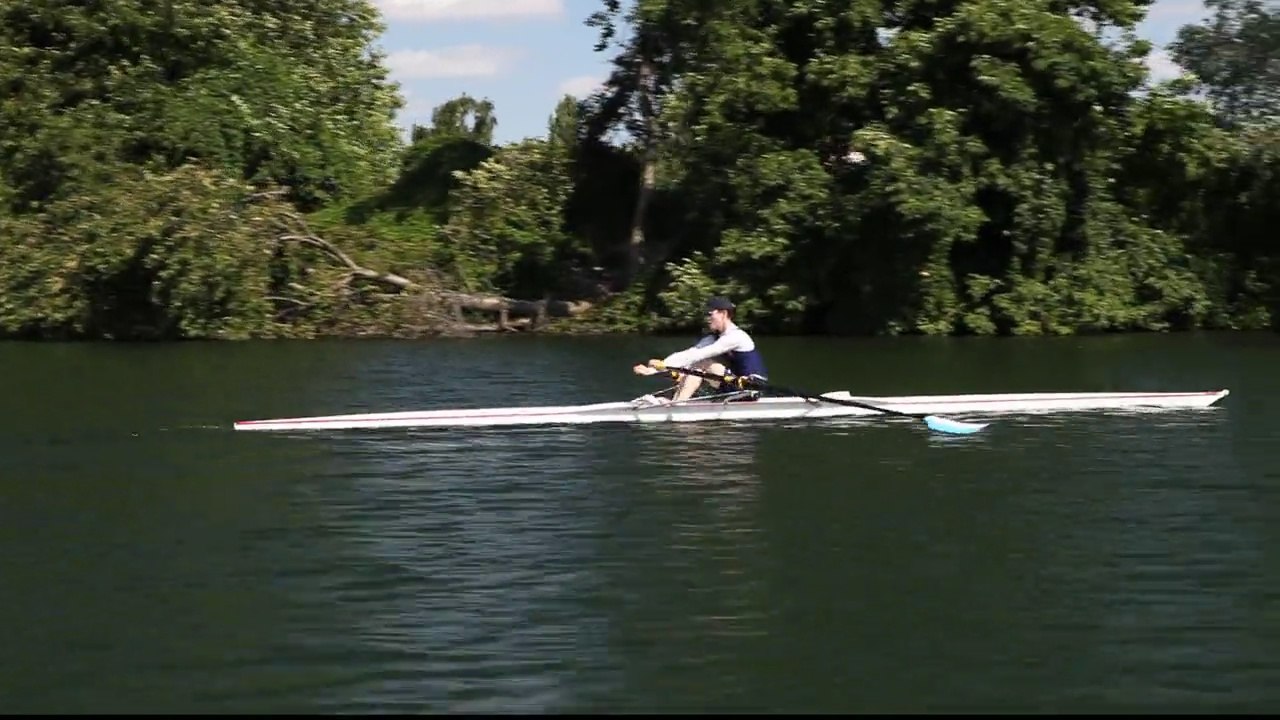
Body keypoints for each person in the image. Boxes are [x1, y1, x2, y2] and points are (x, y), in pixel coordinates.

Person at [632, 296, 768, 402]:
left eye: (710, 314)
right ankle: (677, 402)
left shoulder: (736, 337)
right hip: (734, 385)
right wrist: (654, 369)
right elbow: (691, 353)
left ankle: (677, 405)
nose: (707, 319)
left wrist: (664, 366)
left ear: (723, 314)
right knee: (687, 370)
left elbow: (700, 355)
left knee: (701, 363)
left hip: (750, 387)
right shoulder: (715, 337)